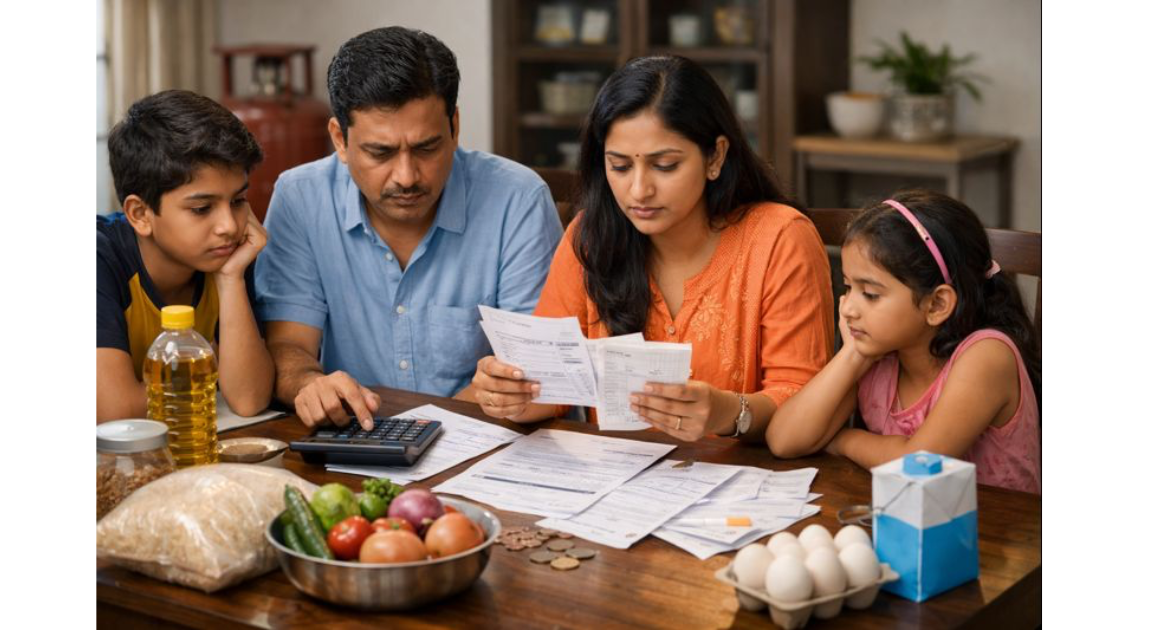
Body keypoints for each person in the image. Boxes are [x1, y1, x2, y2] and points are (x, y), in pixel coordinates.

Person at [467, 55, 834, 444]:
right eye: (620, 167)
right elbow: (549, 389)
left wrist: (728, 411)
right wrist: (511, 393)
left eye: (665, 165)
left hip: (745, 489)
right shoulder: (589, 238)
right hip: (614, 487)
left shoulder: (780, 238)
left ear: (716, 157)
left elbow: (802, 401)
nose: (639, 190)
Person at [255, 27, 563, 430]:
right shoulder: (301, 198)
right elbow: (288, 345)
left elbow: (530, 370)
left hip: (485, 442)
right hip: (354, 443)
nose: (406, 176)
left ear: (454, 126)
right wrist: (309, 385)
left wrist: (420, 435)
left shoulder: (517, 199)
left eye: (426, 148)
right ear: (339, 140)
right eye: (380, 152)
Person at [768, 190, 1041, 493]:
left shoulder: (986, 356)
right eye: (848, 286)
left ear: (936, 305)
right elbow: (784, 440)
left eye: (870, 294)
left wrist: (843, 440)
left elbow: (918, 465)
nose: (847, 308)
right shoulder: (878, 354)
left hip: (995, 532)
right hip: (905, 523)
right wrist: (853, 355)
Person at [97, 90, 274, 422]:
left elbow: (249, 398)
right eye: (201, 208)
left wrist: (231, 278)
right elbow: (116, 411)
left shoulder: (227, 255)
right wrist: (208, 378)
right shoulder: (97, 259)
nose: (228, 226)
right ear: (139, 214)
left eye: (238, 201)